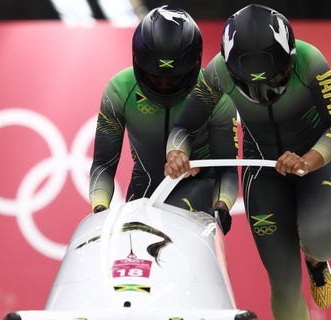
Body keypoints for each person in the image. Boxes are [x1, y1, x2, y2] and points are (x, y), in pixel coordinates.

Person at [164, 4, 331, 319]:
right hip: (263, 168)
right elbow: (184, 127)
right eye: (249, 85)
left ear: (290, 58)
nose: (264, 92)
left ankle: (317, 261)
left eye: (276, 79)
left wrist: (308, 160)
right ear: (230, 68)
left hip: (314, 160)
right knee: (284, 282)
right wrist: (176, 153)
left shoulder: (311, 62)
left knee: (320, 238)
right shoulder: (217, 72)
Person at [89, 5, 239, 234]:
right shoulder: (119, 90)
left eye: (174, 79)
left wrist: (221, 207)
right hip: (145, 186)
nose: (165, 85)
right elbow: (103, 164)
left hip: (198, 186)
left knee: (169, 227)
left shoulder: (214, 93)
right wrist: (100, 211)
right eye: (155, 78)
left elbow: (226, 169)